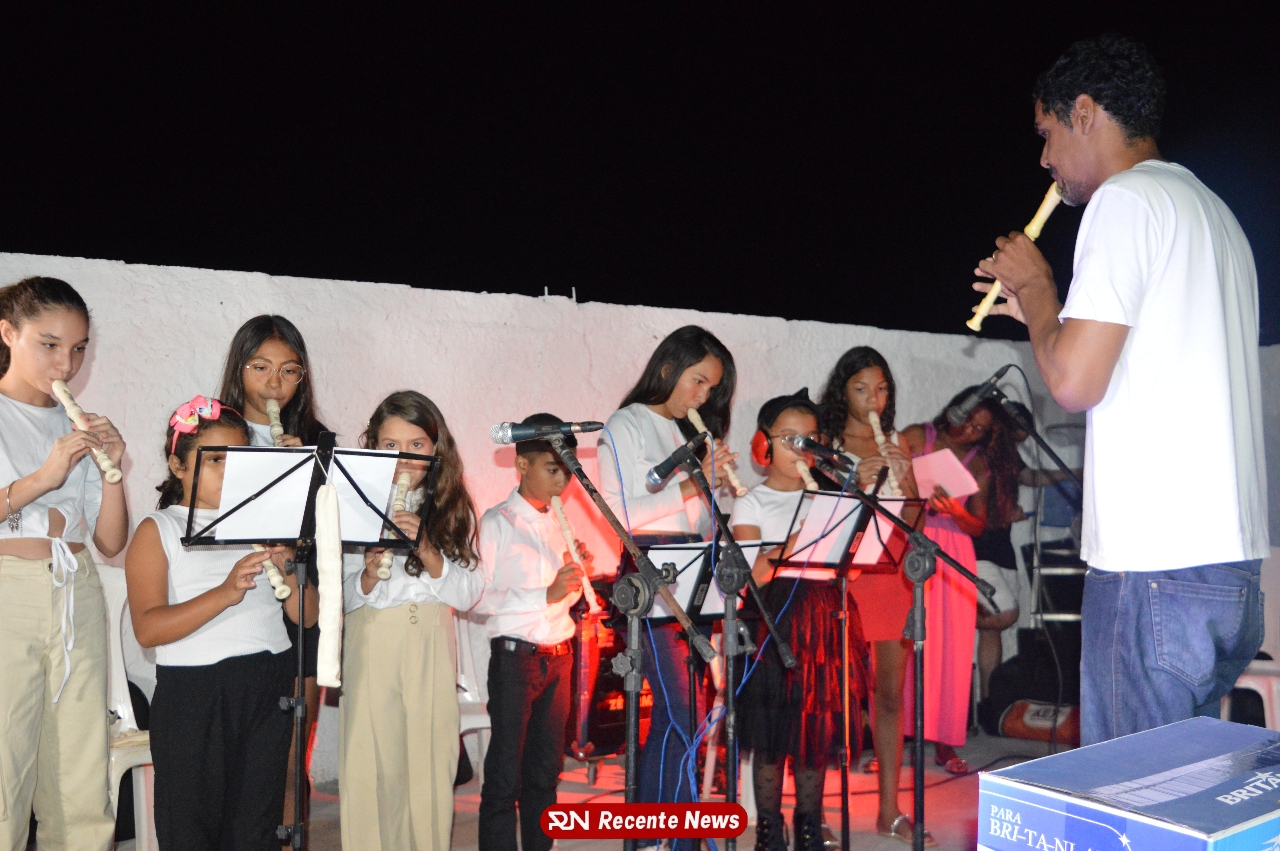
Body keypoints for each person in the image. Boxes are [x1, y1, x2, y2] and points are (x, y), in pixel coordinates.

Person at [972, 34, 1268, 744]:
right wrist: (1044, 315)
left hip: (1153, 568)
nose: (1044, 159)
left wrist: (1039, 289)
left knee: (1127, 791)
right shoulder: (1214, 214)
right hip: (1228, 572)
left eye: (1046, 133)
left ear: (1083, 113)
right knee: (1182, 787)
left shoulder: (1124, 201)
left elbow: (1073, 381)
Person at [125, 396, 315, 849]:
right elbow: (148, 629)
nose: (229, 473)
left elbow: (307, 615)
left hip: (268, 684)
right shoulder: (159, 530)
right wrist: (225, 593)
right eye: (215, 461)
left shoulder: (263, 523)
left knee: (256, 826)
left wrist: (290, 566)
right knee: (192, 828)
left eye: (239, 460)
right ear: (178, 465)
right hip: (194, 693)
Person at [0, 277, 128, 851]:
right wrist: (42, 479)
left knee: (80, 772)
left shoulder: (78, 424)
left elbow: (110, 542)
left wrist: (112, 468)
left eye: (78, 349)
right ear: (8, 333)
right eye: (49, 345)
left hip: (78, 588)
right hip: (10, 590)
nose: (66, 365)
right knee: (5, 765)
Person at [597, 325, 740, 830]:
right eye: (697, 381)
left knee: (678, 716)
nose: (702, 397)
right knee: (681, 713)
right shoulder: (626, 423)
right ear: (667, 368)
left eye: (711, 389)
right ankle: (672, 834)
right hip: (649, 577)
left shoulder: (688, 434)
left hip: (692, 575)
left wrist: (714, 495)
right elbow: (619, 513)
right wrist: (691, 484)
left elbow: (698, 522)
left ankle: (655, 831)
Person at [339, 390, 484, 850]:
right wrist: (366, 574)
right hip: (372, 635)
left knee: (429, 763)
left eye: (416, 445)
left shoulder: (451, 506)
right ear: (372, 447)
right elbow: (339, 596)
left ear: (436, 448)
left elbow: (470, 592)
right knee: (370, 762)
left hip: (430, 642)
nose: (403, 458)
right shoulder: (352, 502)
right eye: (390, 446)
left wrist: (425, 548)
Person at [731, 390, 868, 851]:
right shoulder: (751, 502)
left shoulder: (827, 500)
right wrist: (795, 542)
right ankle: (769, 826)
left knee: (816, 729)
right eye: (789, 438)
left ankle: (810, 822)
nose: (800, 449)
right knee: (771, 732)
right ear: (763, 444)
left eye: (809, 439)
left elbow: (851, 569)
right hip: (773, 624)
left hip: (824, 621)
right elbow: (751, 576)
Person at [216, 314, 329, 829]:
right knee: (239, 755)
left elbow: (334, 530)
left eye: (289, 370)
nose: (274, 382)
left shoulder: (319, 442)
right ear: (239, 369)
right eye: (260, 367)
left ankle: (287, 835)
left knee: (289, 753)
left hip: (299, 598)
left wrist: (309, 475)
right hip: (237, 601)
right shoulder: (216, 436)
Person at [816, 346, 928, 846]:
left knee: (889, 695)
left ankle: (889, 810)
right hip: (842, 577)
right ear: (843, 392)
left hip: (890, 574)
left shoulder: (897, 441)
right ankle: (815, 811)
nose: (873, 399)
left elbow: (914, 523)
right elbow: (817, 517)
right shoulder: (827, 442)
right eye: (861, 389)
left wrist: (908, 481)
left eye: (881, 389)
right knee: (830, 696)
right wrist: (847, 482)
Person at [474, 413, 596, 851]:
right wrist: (546, 593)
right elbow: (479, 598)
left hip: (559, 655)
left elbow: (565, 595)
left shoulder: (560, 521)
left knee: (545, 773)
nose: (563, 479)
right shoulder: (497, 522)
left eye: (567, 469)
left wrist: (577, 575)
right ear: (522, 465)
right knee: (505, 774)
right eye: (552, 468)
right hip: (516, 659)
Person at [899, 388, 997, 776]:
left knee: (950, 648)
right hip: (910, 537)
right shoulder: (915, 436)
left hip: (953, 550)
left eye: (980, 429)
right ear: (955, 408)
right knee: (902, 642)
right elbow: (886, 480)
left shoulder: (978, 463)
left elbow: (978, 525)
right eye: (969, 419)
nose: (970, 431)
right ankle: (893, 739)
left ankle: (945, 740)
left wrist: (955, 509)